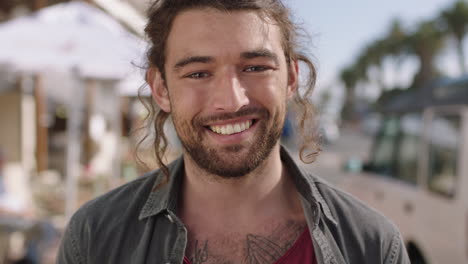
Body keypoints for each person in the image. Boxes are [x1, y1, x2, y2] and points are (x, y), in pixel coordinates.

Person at [57, 0, 410, 263]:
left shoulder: (372, 245)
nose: (231, 100)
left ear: (291, 78)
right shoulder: (95, 237)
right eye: (198, 73)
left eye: (255, 67)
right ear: (161, 89)